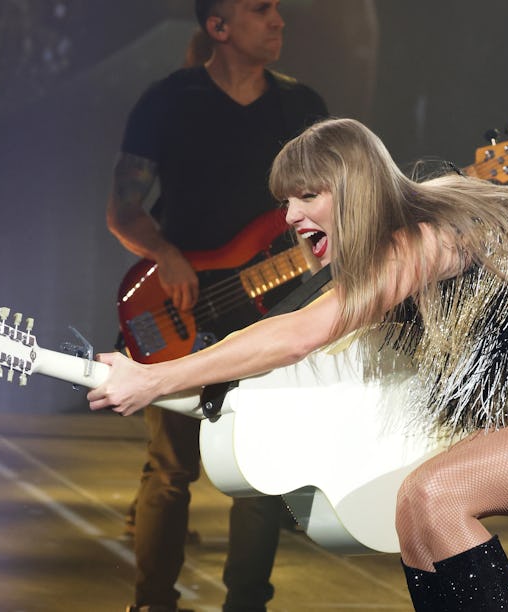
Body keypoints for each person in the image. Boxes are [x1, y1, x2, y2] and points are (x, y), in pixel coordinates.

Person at [93, 117, 508, 610]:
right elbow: (296, 346)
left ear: (354, 189)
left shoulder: (431, 233)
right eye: (287, 202)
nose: (290, 217)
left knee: (436, 492)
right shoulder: (394, 262)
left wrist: (154, 376)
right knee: (415, 508)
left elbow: (302, 332)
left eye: (307, 196)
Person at [104, 0, 327, 610]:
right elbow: (122, 210)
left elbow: (338, 200)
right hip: (184, 306)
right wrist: (166, 254)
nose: (278, 20)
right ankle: (152, 602)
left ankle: (247, 604)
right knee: (170, 472)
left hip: (274, 309)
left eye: (278, 9)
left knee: (256, 477)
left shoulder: (301, 106)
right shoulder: (169, 101)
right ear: (218, 27)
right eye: (261, 9)